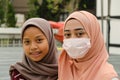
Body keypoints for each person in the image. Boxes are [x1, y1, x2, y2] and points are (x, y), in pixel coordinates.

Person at [58, 11, 119, 80]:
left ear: (94, 36)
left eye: (80, 34)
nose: (73, 39)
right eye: (68, 35)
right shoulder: (65, 68)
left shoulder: (107, 77)